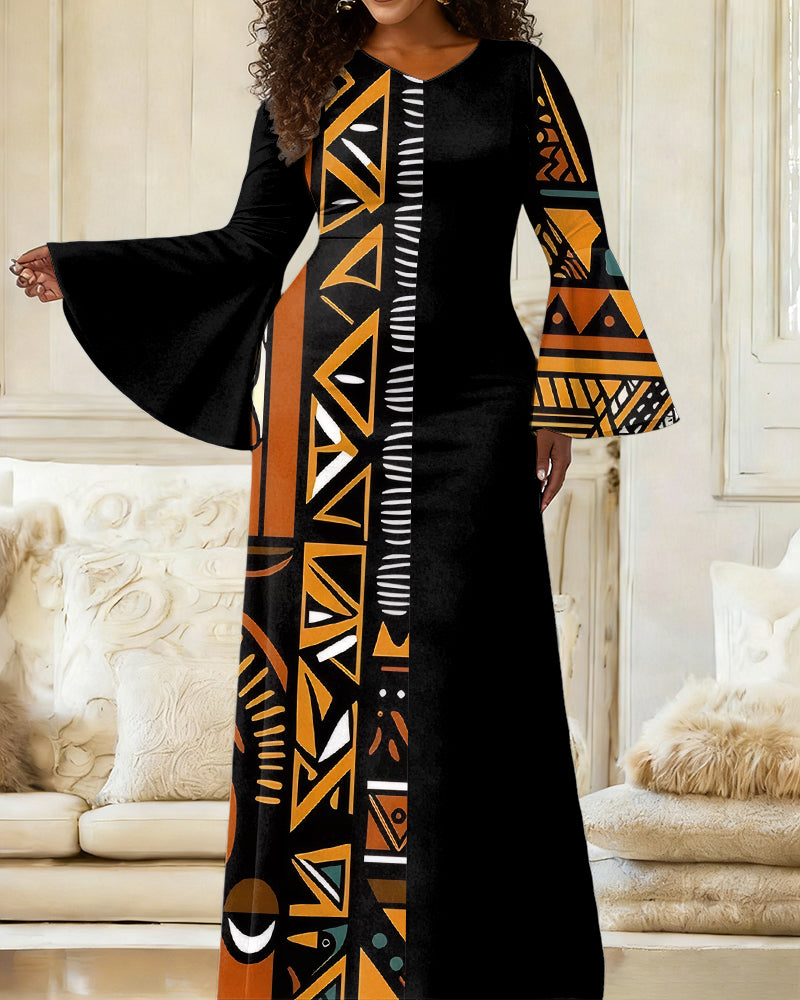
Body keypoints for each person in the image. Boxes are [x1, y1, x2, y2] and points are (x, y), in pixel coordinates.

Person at [9, 1, 679, 997]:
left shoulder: (518, 80)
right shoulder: (308, 83)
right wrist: (92, 268)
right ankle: (329, 968)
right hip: (322, 402)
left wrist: (560, 404)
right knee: (322, 676)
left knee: (464, 680)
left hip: (475, 404)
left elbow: (576, 239)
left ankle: (464, 968)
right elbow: (249, 246)